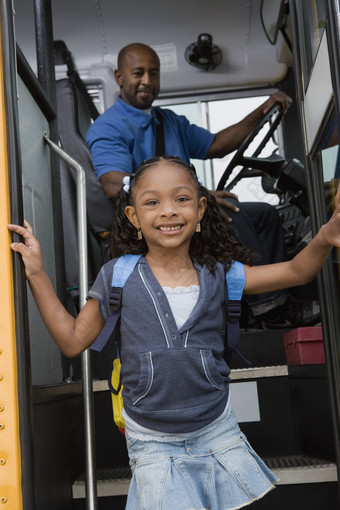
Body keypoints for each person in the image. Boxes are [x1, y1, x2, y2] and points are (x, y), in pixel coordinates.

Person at [8, 156, 340, 510]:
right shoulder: (117, 276)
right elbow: (72, 340)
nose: (168, 211)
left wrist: (324, 236)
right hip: (152, 440)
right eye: (152, 202)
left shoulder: (221, 273)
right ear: (134, 217)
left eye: (181, 199)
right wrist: (37, 274)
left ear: (199, 210)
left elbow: (295, 272)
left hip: (217, 430)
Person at [85, 42, 318, 327]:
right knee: (231, 214)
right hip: (154, 227)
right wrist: (191, 197)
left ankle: (262, 306)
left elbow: (217, 145)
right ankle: (269, 307)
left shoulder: (168, 120)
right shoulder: (109, 127)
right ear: (119, 78)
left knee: (265, 215)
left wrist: (262, 109)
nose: (146, 80)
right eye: (138, 73)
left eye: (153, 73)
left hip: (189, 211)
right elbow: (112, 182)